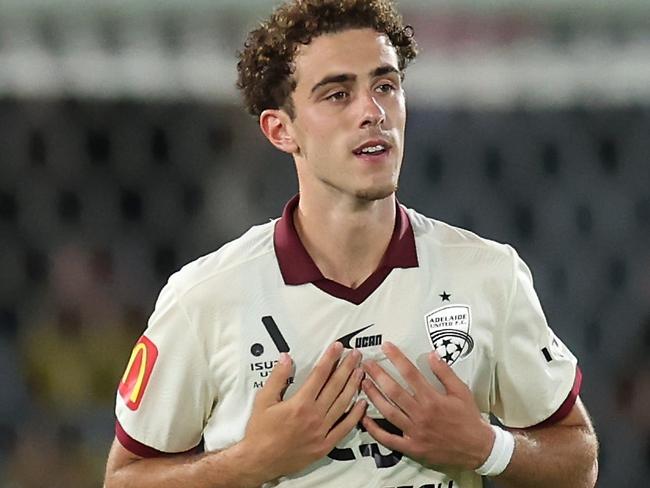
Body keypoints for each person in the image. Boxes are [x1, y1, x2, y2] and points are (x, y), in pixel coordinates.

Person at [104, 1, 599, 487]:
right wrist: (252, 462)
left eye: (385, 85)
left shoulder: (487, 275)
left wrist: (487, 448)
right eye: (337, 94)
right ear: (281, 130)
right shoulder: (204, 297)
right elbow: (125, 479)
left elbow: (579, 462)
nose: (373, 111)